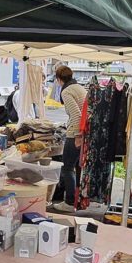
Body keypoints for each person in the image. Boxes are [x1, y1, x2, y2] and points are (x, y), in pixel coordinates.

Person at [49, 65, 86, 214]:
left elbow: (77, 115)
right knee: (76, 168)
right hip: (84, 132)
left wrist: (77, 135)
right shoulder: (79, 87)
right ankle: (75, 201)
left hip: (75, 134)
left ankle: (70, 202)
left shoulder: (67, 91)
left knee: (67, 167)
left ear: (59, 79)